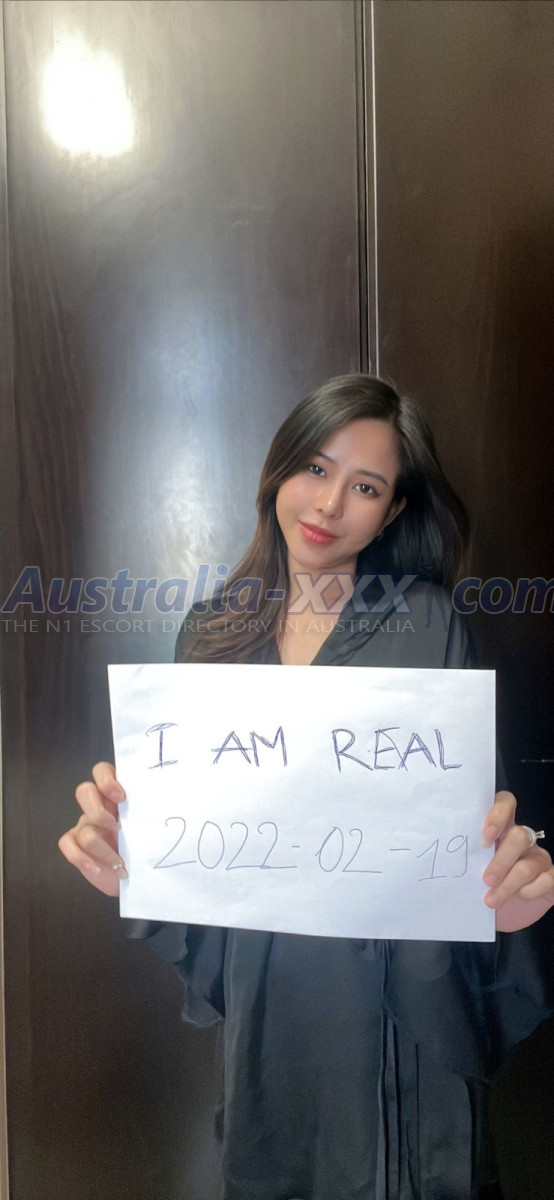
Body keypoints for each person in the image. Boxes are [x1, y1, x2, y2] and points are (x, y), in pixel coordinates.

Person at [59, 375, 553, 1200]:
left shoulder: (429, 624)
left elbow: (483, 844)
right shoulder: (211, 634)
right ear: (277, 471)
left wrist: (515, 890)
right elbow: (198, 871)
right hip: (275, 1019)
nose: (329, 504)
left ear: (392, 512)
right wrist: (130, 867)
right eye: (315, 469)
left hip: (405, 1018)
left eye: (366, 486)